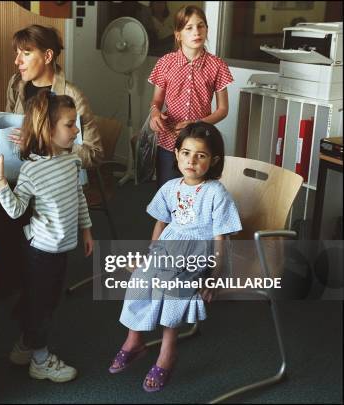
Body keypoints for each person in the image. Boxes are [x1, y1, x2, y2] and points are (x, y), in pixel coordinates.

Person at [109, 122, 241, 392]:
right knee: (141, 276)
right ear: (177, 153)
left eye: (200, 155)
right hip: (169, 249)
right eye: (186, 153)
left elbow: (220, 238)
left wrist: (215, 275)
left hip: (201, 253)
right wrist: (151, 254)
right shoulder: (170, 187)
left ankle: (168, 352)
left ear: (213, 160)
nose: (191, 161)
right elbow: (160, 223)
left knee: (172, 283)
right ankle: (134, 340)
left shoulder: (216, 192)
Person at [0, 90, 94, 383]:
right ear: (48, 129)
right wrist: (1, 181)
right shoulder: (32, 171)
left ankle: (25, 346)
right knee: (41, 306)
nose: (76, 130)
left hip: (61, 249)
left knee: (44, 301)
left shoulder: (71, 161)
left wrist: (87, 229)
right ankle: (40, 360)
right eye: (69, 124)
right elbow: (16, 211)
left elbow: (79, 196)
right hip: (41, 252)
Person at [0, 24, 103, 169]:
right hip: (20, 175)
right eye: (17, 53)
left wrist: (43, 142)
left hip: (56, 182)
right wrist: (0, 135)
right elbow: (12, 130)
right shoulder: (16, 84)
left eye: (26, 53)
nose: (17, 61)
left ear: (47, 56)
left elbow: (94, 155)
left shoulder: (73, 96)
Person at [148, 5, 233, 186]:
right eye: (189, 27)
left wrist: (197, 124)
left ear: (207, 29)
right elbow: (156, 101)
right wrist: (155, 114)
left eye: (201, 26)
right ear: (178, 34)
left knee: (199, 196)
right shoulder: (165, 63)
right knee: (168, 194)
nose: (197, 32)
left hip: (201, 145)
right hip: (169, 143)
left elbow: (223, 109)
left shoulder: (217, 65)